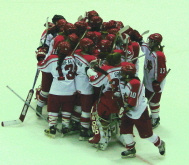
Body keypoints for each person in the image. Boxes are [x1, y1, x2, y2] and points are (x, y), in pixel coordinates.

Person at [118, 64, 165, 158]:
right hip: (128, 111)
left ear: (128, 74)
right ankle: (131, 149)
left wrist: (123, 110)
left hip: (139, 112)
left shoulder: (135, 84)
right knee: (125, 130)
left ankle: (160, 143)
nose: (121, 74)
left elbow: (132, 103)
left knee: (146, 134)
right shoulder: (125, 81)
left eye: (123, 73)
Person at [86, 53, 130, 150]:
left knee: (96, 111)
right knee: (123, 117)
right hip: (124, 98)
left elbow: (95, 82)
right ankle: (126, 137)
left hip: (110, 98)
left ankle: (101, 138)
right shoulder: (126, 66)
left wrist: (90, 72)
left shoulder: (107, 69)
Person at [37, 41, 76, 138]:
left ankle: (52, 128)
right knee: (67, 108)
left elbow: (41, 66)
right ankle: (65, 126)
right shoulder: (73, 58)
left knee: (53, 109)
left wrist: (40, 57)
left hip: (56, 91)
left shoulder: (52, 59)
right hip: (71, 91)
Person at [129, 31, 167, 128]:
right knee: (147, 99)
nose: (149, 42)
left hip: (156, 83)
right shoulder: (149, 50)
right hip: (148, 81)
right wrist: (139, 38)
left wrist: (157, 81)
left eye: (151, 41)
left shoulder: (159, 55)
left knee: (154, 102)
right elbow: (143, 45)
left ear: (156, 43)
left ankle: (155, 118)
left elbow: (162, 70)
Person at [74, 38, 97, 140]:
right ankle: (84, 131)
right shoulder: (91, 58)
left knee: (78, 104)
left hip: (76, 82)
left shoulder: (77, 52)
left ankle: (74, 122)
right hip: (86, 85)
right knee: (86, 109)